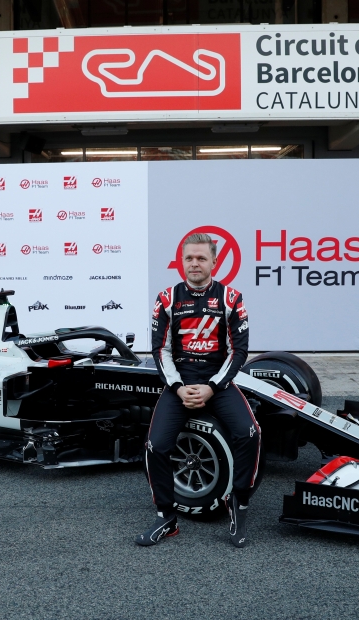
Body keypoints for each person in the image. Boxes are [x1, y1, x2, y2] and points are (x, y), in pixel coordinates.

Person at [135, 232, 260, 548]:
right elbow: (159, 351)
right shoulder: (166, 299)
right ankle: (166, 518)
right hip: (180, 384)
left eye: (201, 258)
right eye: (189, 257)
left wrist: (212, 387)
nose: (194, 263)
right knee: (156, 446)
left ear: (215, 262)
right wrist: (178, 388)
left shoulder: (232, 299)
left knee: (250, 434)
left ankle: (238, 508)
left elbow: (239, 352)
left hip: (218, 383)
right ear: (181, 261)